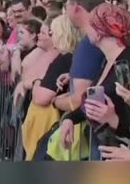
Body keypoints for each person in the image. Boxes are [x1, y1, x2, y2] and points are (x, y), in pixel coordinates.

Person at [59, 3, 130, 160]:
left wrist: (114, 121)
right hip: (108, 150)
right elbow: (94, 103)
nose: (85, 30)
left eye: (90, 26)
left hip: (127, 155)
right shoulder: (108, 61)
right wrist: (70, 118)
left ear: (99, 33)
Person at [24, 15, 82, 161]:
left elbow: (41, 97)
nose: (51, 37)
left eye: (52, 33)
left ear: (62, 33)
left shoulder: (65, 59)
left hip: (56, 125)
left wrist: (37, 81)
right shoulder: (66, 57)